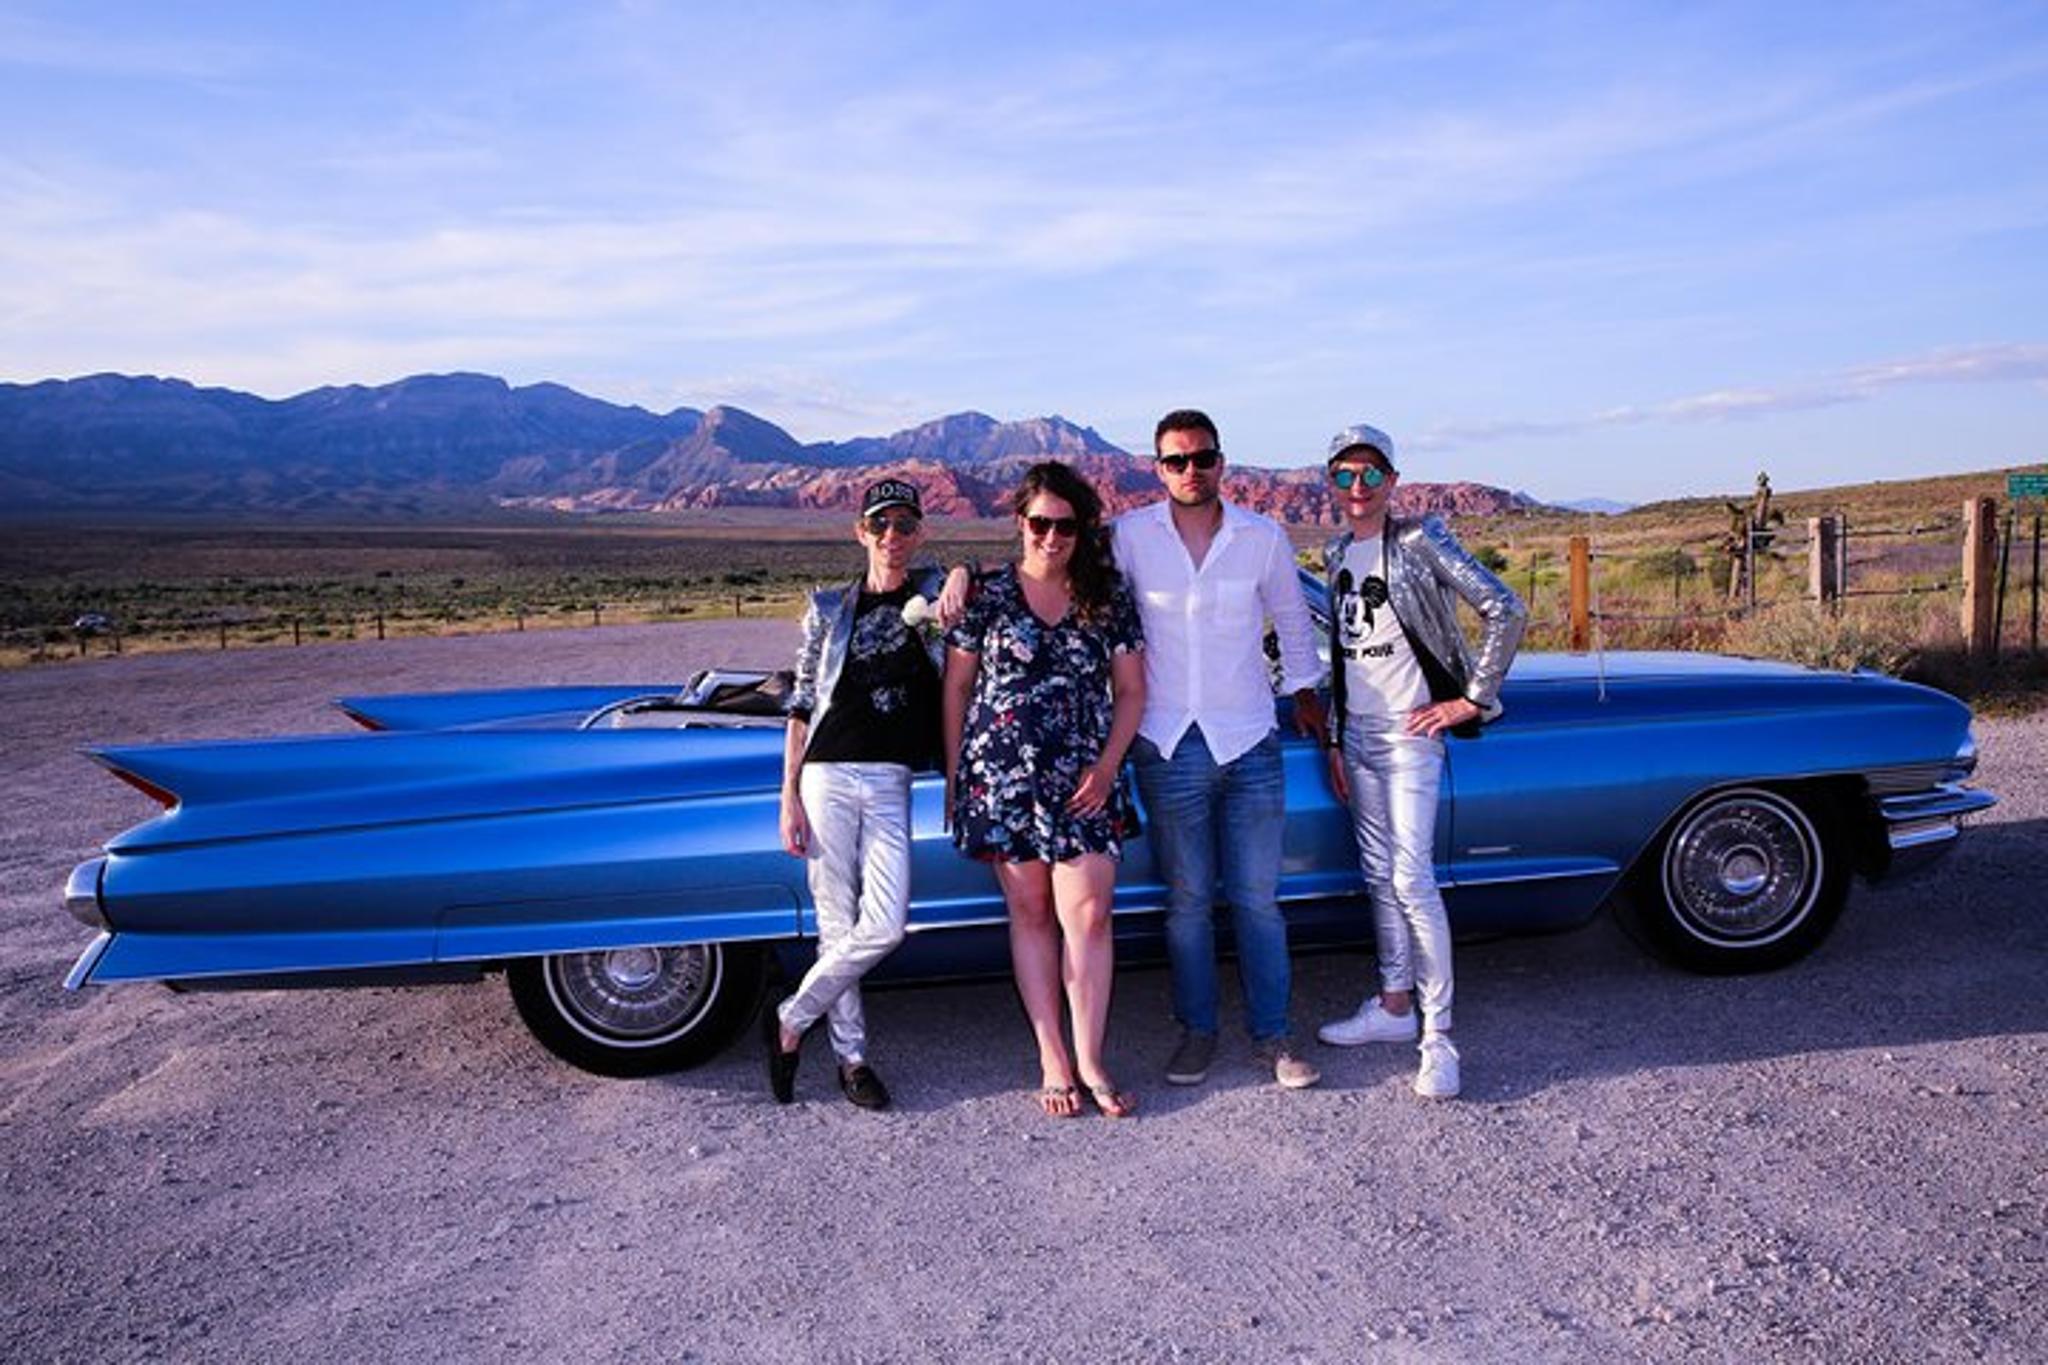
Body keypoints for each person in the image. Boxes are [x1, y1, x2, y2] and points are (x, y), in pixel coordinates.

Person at [1110, 409, 1329, 1090]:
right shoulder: (1128, 537)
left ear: (1221, 462)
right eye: (1175, 461)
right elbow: (1077, 596)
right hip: (1167, 743)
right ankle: (1197, 1031)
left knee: (1260, 899)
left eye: (1201, 458)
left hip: (1251, 741)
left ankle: (1273, 1035)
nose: (1190, 471)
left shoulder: (1261, 537)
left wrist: (1306, 695)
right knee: (1188, 901)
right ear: (1157, 467)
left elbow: (1294, 623)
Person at [1313, 423, 1526, 1100]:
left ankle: (1439, 1037)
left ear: (1392, 482)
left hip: (1410, 737)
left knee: (1411, 879)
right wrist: (1335, 739)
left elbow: (1504, 606)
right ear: (1331, 483)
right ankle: (1393, 1007)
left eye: (1370, 474)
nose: (1357, 487)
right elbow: (1345, 657)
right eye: (1344, 474)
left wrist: (1470, 699)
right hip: (1360, 738)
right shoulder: (1337, 550)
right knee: (1377, 873)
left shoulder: (1418, 540)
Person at [942, 462, 1146, 1119]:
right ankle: (1052, 1056)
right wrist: (956, 777)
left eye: (1065, 525)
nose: (1052, 537)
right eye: (1040, 523)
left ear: (1081, 529)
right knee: (1030, 915)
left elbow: (1134, 691)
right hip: (1003, 780)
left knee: (1087, 914)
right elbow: (957, 689)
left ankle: (1091, 1057)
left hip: (1085, 779)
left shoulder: (1106, 598)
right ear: (1020, 524)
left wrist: (1110, 766)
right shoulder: (986, 597)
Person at [768, 477, 956, 1110]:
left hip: (890, 778)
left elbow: (981, 586)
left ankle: (792, 1018)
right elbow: (799, 704)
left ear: (919, 532)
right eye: (881, 526)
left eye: (905, 525)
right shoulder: (828, 608)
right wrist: (788, 796)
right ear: (861, 533)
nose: (893, 537)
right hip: (827, 774)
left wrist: (956, 577)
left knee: (886, 923)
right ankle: (851, 1060)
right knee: (836, 924)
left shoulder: (934, 596)